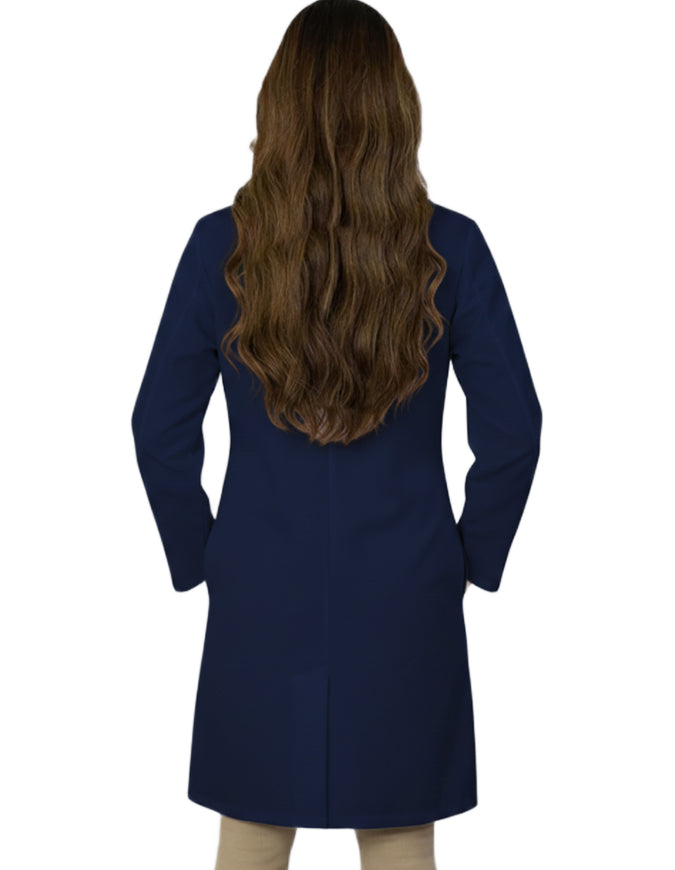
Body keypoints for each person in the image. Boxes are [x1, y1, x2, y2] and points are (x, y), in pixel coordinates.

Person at [131, 1, 542, 868]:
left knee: (249, 835)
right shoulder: (449, 249)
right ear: (395, 107)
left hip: (258, 588)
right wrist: (468, 560)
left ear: (276, 104)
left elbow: (158, 428)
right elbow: (513, 432)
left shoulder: (221, 248)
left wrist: (203, 556)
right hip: (406, 591)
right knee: (399, 839)